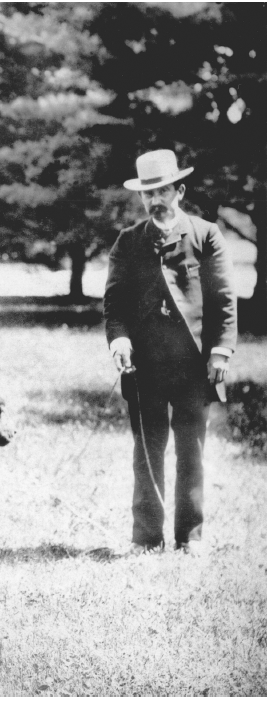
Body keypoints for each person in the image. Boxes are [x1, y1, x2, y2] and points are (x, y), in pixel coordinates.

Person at [103, 149, 237, 556]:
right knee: (147, 451)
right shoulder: (128, 242)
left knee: (191, 450)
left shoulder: (205, 234)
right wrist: (119, 339)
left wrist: (220, 351)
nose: (154, 200)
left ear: (179, 190)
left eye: (161, 190)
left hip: (193, 364)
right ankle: (146, 538)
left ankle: (189, 536)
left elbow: (223, 299)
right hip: (145, 364)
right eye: (147, 194)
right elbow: (115, 304)